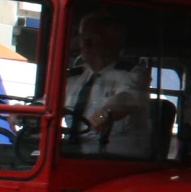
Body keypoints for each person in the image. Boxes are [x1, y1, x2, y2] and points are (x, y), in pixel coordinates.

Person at [61, 9, 151, 156]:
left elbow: (127, 98)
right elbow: (48, 103)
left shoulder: (133, 73)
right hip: (71, 155)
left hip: (116, 161)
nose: (86, 44)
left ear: (113, 42)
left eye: (93, 37)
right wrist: (29, 113)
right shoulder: (73, 76)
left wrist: (106, 113)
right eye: (83, 37)